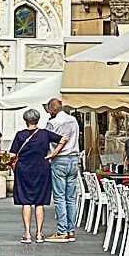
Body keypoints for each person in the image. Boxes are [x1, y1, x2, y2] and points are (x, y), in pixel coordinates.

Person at [9, 107, 62, 243]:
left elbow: (12, 154)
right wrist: (53, 154)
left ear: (25, 120)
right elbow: (63, 139)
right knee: (39, 202)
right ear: (37, 119)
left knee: (26, 202)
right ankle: (39, 233)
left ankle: (27, 233)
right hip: (41, 168)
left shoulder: (20, 135)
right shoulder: (45, 134)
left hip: (24, 169)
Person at [43, 97, 81, 241]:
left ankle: (62, 231)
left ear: (52, 109)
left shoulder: (52, 123)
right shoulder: (73, 120)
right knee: (70, 198)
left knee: (59, 197)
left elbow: (47, 140)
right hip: (74, 159)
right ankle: (71, 230)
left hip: (60, 159)